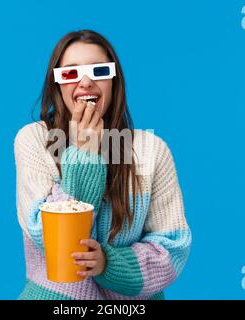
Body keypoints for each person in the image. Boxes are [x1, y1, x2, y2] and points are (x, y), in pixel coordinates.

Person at [14, 30, 192, 300]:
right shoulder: (35, 140)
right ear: (57, 85)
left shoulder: (151, 150)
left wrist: (108, 264)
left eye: (99, 71)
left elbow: (172, 248)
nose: (85, 82)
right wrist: (84, 152)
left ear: (114, 80)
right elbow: (53, 239)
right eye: (70, 74)